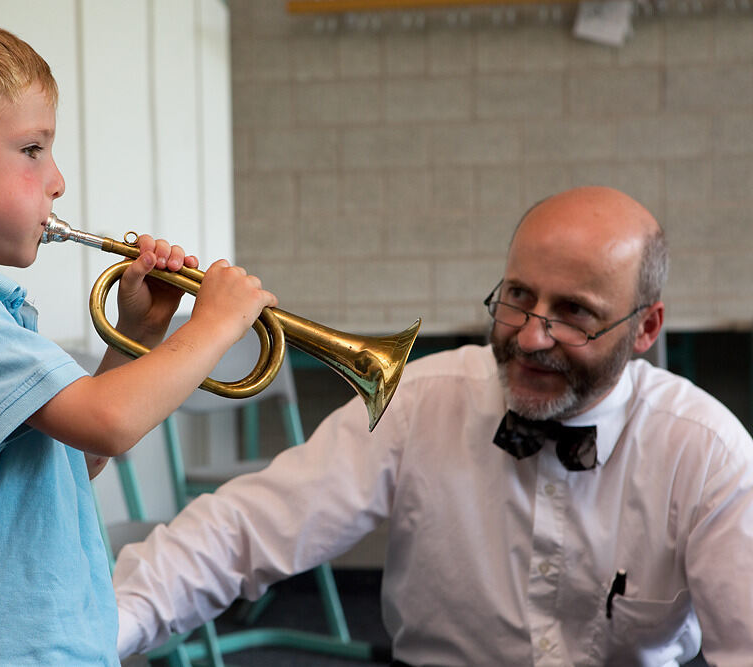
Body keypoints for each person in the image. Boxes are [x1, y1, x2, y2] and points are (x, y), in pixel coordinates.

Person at [113, 186, 753, 666]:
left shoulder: (709, 454)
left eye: (576, 314)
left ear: (645, 328)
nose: (531, 337)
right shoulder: (424, 401)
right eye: (519, 297)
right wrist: (95, 629)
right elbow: (243, 531)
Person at [0, 14, 276, 666]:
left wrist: (141, 333)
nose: (57, 179)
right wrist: (214, 324)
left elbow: (71, 455)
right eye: (33, 149)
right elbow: (108, 423)